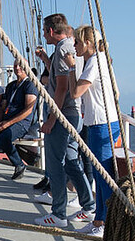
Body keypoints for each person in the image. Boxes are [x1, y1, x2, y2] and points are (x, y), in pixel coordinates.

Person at [35, 13, 94, 228]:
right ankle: (88, 206)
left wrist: (51, 119)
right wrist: (45, 61)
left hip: (62, 114)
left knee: (55, 164)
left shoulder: (62, 49)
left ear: (51, 31)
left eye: (44, 31)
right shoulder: (71, 47)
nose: (43, 34)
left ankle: (58, 213)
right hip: (74, 114)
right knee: (71, 161)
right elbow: (60, 77)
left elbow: (60, 89)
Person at [72, 25, 121, 239]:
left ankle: (107, 224)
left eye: (77, 42)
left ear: (88, 44)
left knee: (104, 178)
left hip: (103, 124)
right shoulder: (96, 61)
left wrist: (71, 67)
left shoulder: (95, 62)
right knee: (100, 177)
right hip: (97, 124)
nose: (74, 45)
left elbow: (75, 92)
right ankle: (99, 220)